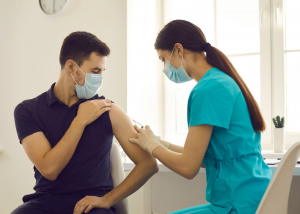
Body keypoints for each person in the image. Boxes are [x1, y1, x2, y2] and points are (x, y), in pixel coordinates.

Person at [129, 20, 273, 214]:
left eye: (163, 59)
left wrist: (152, 147)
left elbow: (189, 167)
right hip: (250, 196)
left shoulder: (209, 89)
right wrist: (161, 143)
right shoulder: (220, 81)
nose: (165, 67)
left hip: (238, 204)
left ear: (178, 50)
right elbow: (208, 158)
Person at [12, 31, 159, 214]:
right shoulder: (28, 110)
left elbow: (148, 164)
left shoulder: (109, 110)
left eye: (102, 71)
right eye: (95, 71)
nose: (99, 78)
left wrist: (107, 200)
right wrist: (80, 121)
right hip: (46, 202)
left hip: (93, 204)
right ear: (72, 67)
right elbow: (50, 169)